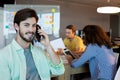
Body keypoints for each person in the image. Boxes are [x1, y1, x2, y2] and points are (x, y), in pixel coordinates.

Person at [0, 8, 65, 80]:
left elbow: (59, 71)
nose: (31, 30)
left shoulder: (40, 52)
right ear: (16, 26)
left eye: (33, 25)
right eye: (26, 25)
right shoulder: (3, 55)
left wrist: (48, 46)